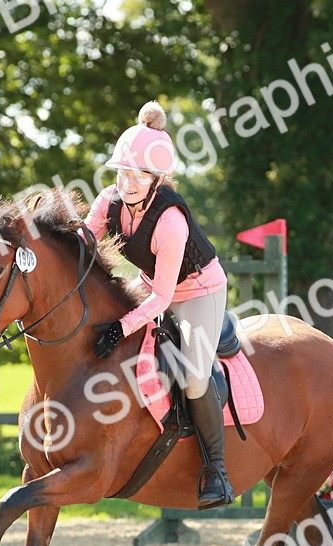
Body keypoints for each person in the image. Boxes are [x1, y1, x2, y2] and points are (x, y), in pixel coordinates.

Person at [83, 101, 234, 510]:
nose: (127, 182)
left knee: (195, 376)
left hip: (196, 294)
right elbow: (82, 244)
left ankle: (216, 471)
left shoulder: (171, 221)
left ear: (157, 178)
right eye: (121, 172)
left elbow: (164, 298)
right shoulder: (108, 201)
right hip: (152, 286)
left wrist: (121, 326)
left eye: (138, 174)